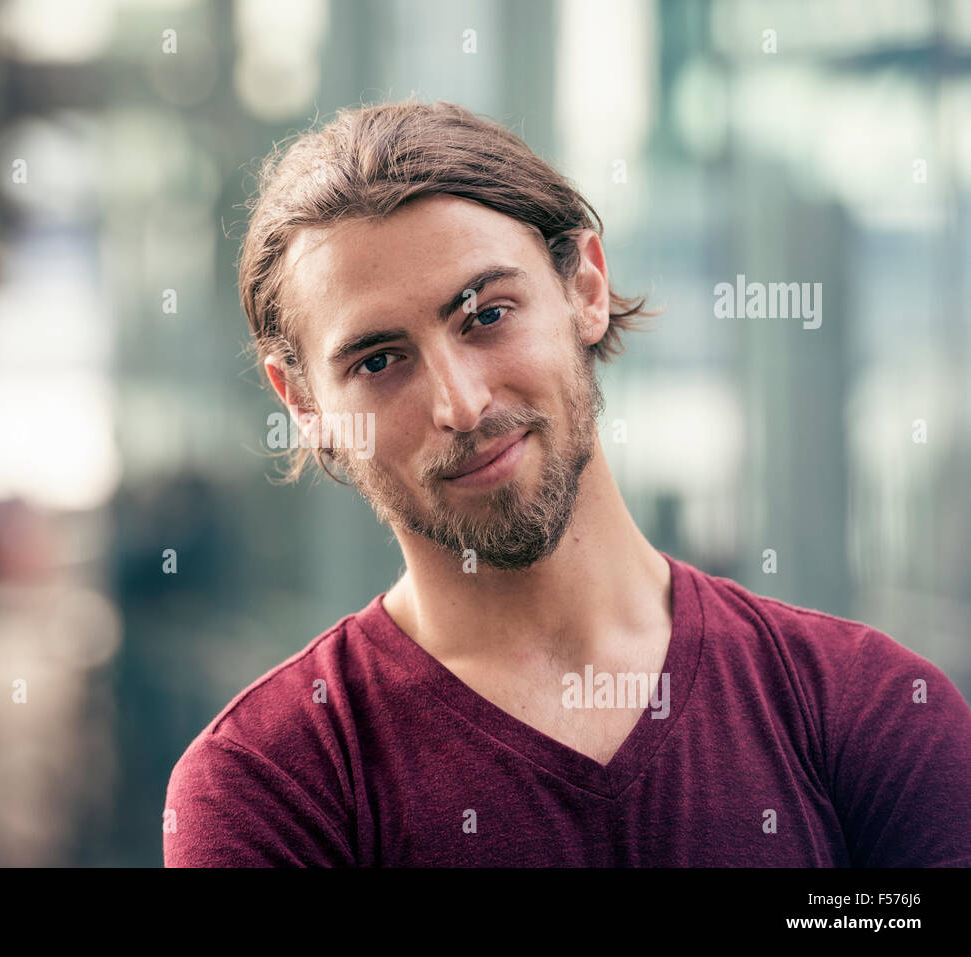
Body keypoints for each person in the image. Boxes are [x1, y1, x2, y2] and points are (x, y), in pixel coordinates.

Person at [162, 99, 971, 866]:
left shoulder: (873, 709)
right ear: (303, 403)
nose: (461, 404)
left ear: (584, 286)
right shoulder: (270, 783)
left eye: (486, 315)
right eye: (379, 361)